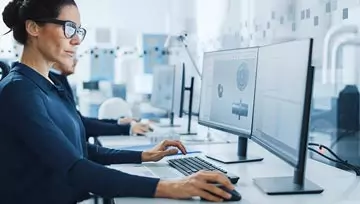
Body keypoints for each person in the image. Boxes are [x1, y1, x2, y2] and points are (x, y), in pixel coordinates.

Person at [0, 0, 234, 203]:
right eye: (69, 28)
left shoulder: (47, 86)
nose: (76, 40)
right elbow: (74, 168)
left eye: (78, 31)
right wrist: (172, 186)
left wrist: (143, 156)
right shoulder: (18, 91)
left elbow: (82, 151)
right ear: (33, 27)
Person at [50, 58, 152, 138]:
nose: (76, 61)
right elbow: (83, 126)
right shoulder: (54, 82)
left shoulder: (60, 79)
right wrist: (127, 129)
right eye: (71, 55)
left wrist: (119, 122)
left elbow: (81, 121)